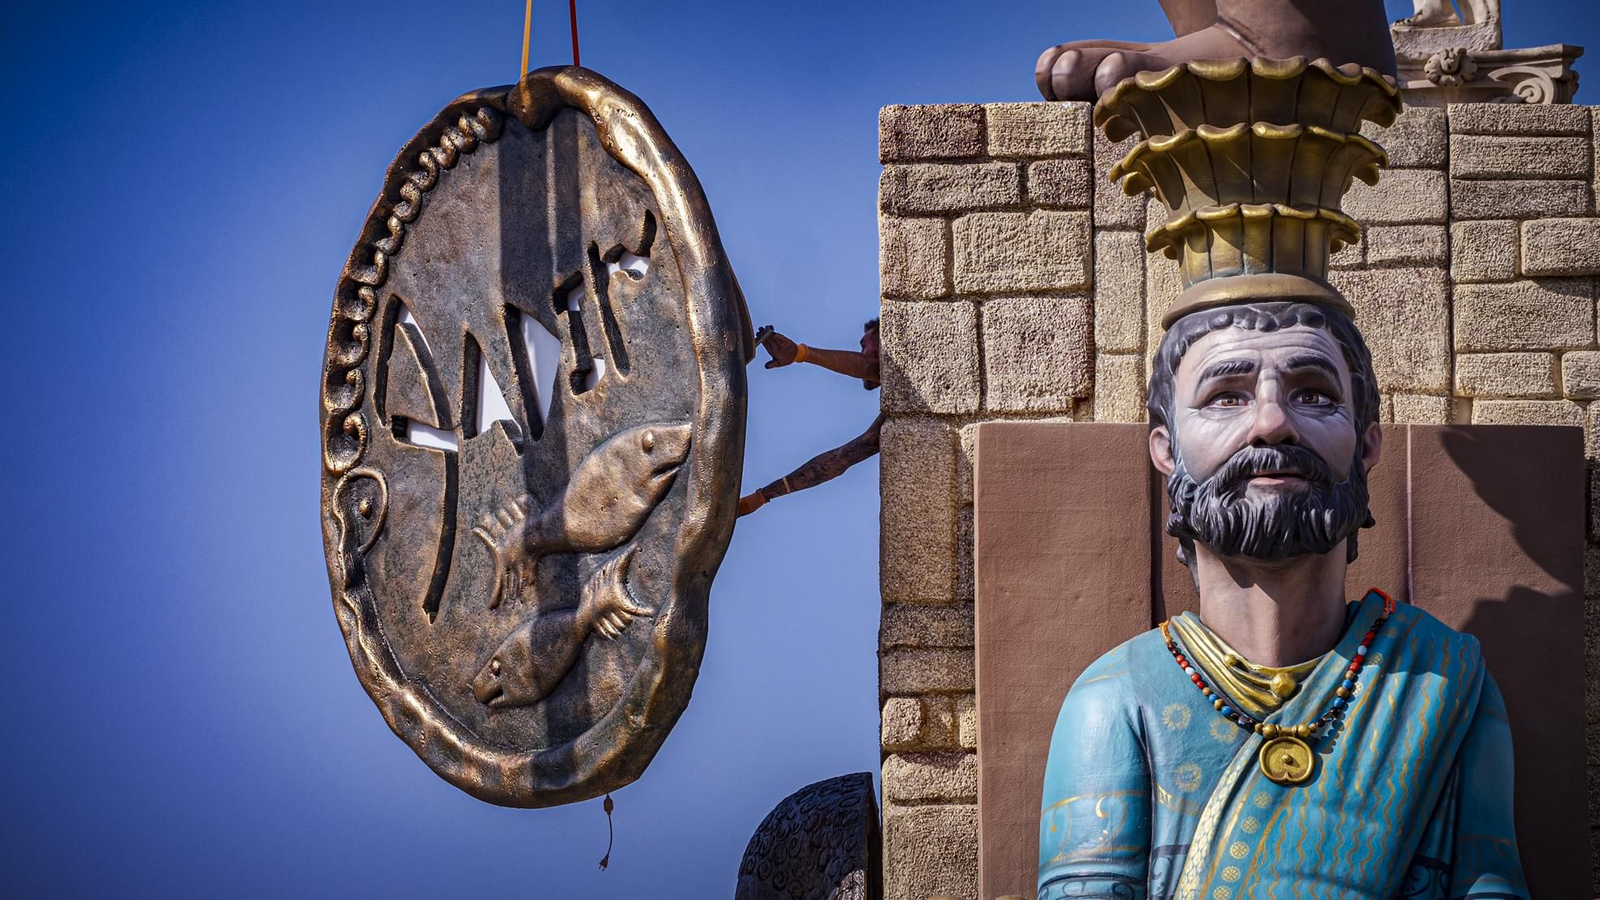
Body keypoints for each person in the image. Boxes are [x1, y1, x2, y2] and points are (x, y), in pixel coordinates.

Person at [1036, 300, 1526, 899]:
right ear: (1166, 449)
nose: (1272, 423)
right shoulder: (1116, 699)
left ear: (1366, 444)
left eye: (1314, 395)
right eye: (1226, 397)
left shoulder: (1445, 682)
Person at [737, 320, 882, 517]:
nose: (861, 350)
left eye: (864, 344)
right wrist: (759, 498)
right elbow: (842, 458)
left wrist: (801, 353)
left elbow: (870, 367)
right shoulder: (892, 419)